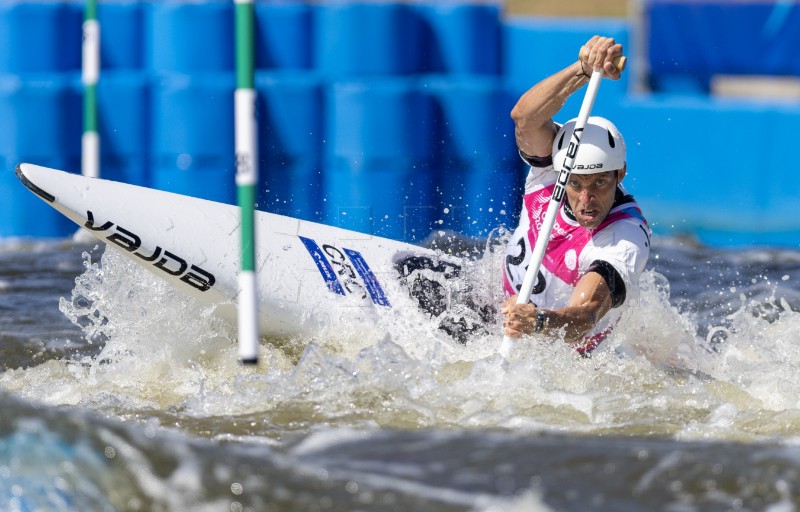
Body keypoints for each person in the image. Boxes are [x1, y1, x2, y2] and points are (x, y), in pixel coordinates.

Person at [501, 35, 651, 355]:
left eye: (599, 183)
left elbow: (586, 315)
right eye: (576, 184)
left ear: (619, 175)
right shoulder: (551, 166)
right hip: (504, 309)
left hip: (567, 352)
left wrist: (538, 321)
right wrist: (582, 69)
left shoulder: (625, 235)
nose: (586, 200)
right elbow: (525, 118)